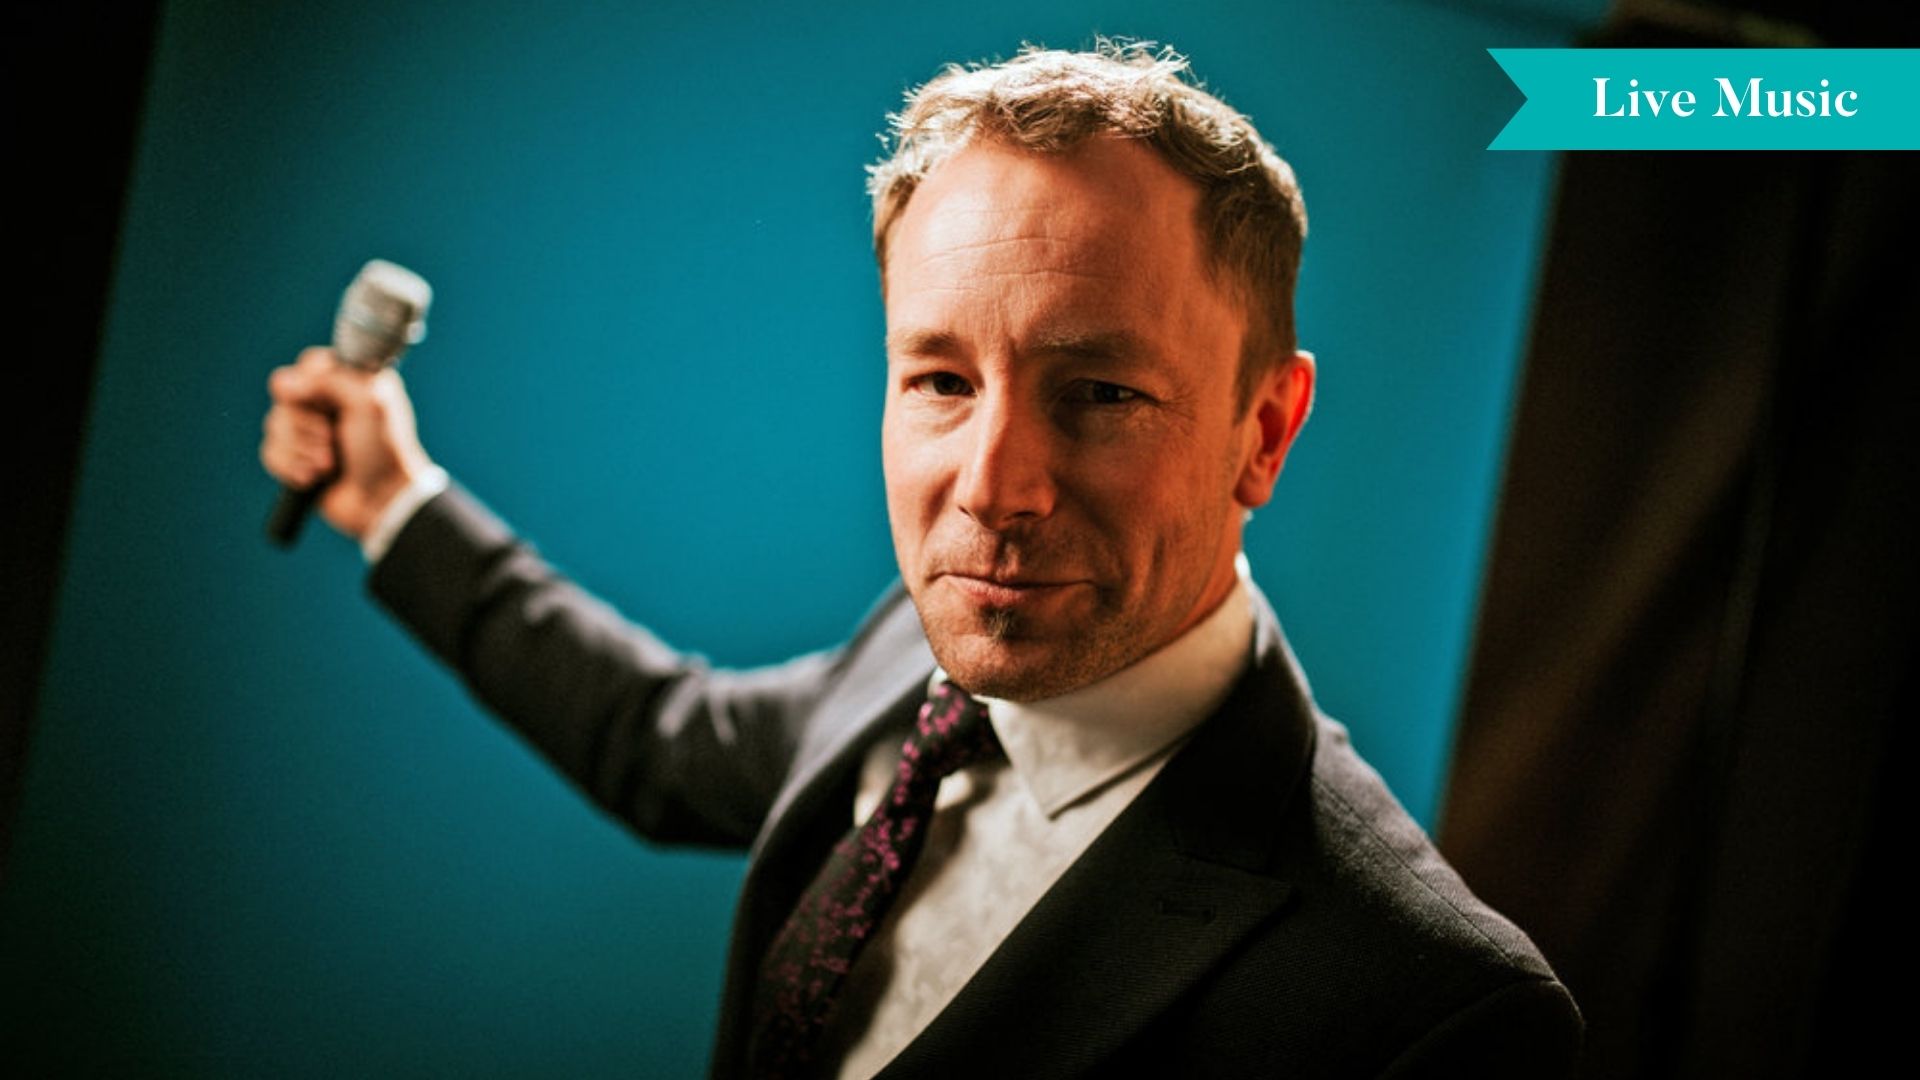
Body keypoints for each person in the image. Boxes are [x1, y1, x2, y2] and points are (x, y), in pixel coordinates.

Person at [260, 43, 1579, 1079]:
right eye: (942, 379)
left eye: (1103, 392)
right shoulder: (922, 646)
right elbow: (661, 739)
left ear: (1265, 431)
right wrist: (392, 499)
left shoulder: (1428, 1016)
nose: (994, 492)